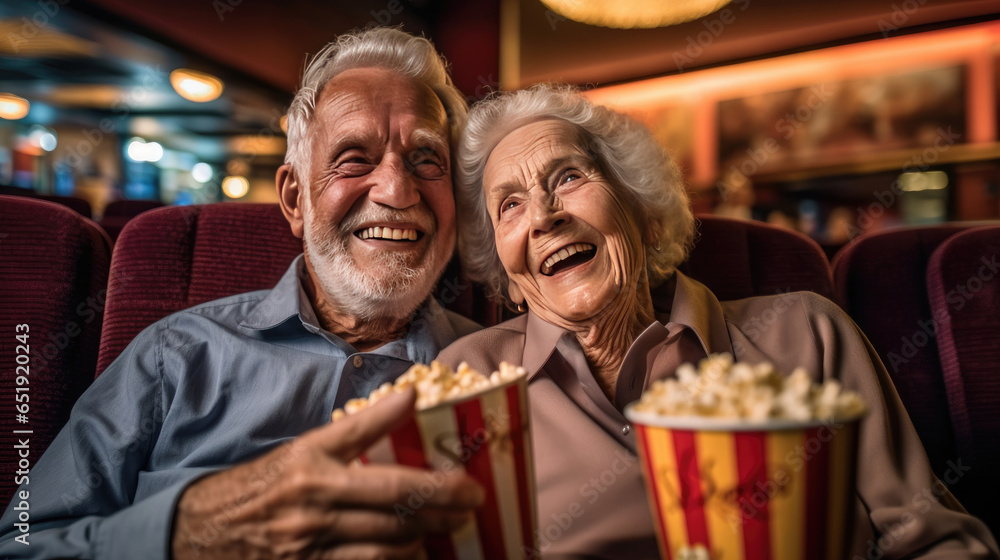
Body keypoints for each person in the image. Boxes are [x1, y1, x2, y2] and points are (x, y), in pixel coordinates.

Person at [437, 84, 999, 559]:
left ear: (647, 216)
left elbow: (934, 541)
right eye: (509, 204)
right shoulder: (469, 383)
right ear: (508, 279)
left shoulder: (806, 333)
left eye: (567, 178)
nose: (543, 216)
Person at [0, 28, 486, 560]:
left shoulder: (504, 373)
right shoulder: (175, 356)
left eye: (426, 159)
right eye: (354, 157)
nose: (396, 189)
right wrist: (183, 534)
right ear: (296, 199)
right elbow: (23, 544)